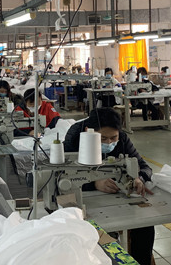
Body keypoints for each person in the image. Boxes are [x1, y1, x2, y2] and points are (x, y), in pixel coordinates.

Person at [63, 108, 155, 264]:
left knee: (145, 224)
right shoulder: (74, 139)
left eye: (113, 137)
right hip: (85, 200)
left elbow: (145, 167)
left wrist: (138, 178)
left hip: (114, 196)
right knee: (99, 233)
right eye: (103, 138)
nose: (109, 143)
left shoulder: (122, 139)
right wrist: (94, 183)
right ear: (88, 131)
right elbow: (63, 178)